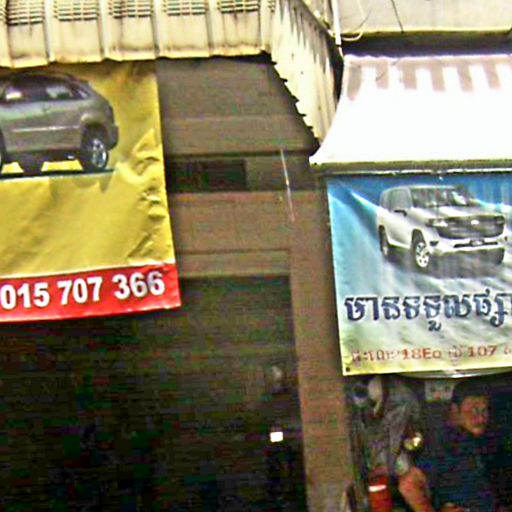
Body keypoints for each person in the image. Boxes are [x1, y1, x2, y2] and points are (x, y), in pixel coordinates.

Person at [398, 379, 500, 512]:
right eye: (473, 410)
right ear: (455, 410)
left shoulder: (478, 441)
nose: (481, 418)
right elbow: (408, 485)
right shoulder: (450, 441)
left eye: (484, 411)